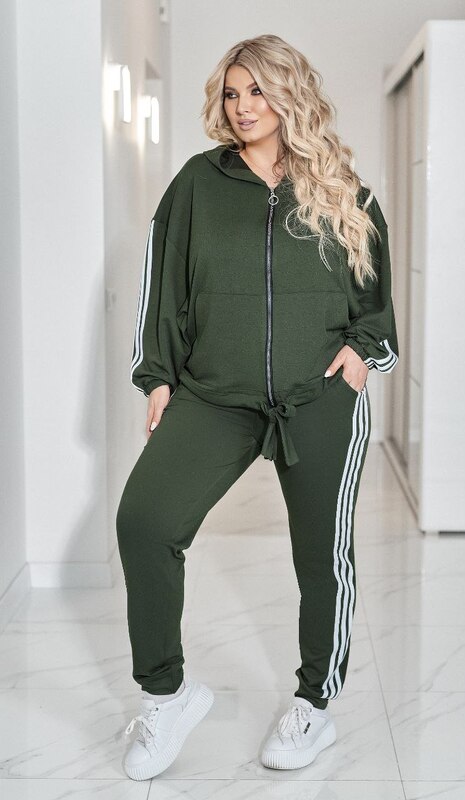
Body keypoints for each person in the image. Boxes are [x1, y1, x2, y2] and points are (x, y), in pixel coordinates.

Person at [116, 33, 399, 781]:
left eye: (258, 90)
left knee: (321, 556)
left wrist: (360, 356)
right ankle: (167, 695)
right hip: (215, 393)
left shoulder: (340, 186)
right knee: (145, 521)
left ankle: (314, 704)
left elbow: (376, 301)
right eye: (232, 92)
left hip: (319, 395)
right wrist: (158, 377)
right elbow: (161, 288)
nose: (243, 106)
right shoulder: (197, 183)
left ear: (289, 93)